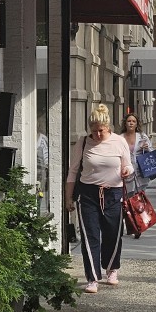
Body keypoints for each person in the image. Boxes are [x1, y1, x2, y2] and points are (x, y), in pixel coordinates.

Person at [65, 103, 133, 294]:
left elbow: (129, 165)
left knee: (113, 234)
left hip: (113, 193)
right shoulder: (83, 142)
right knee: (90, 236)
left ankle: (112, 268)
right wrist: (69, 197)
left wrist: (127, 170)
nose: (97, 135)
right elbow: (73, 171)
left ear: (108, 127)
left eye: (100, 131)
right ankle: (92, 278)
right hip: (88, 193)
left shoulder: (119, 141)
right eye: (93, 131)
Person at [120, 113, 153, 189]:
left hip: (141, 172)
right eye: (129, 121)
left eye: (133, 121)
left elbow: (151, 152)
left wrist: (147, 148)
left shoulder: (142, 136)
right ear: (125, 124)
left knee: (140, 194)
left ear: (136, 124)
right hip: (126, 172)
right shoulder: (120, 138)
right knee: (128, 193)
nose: (131, 123)